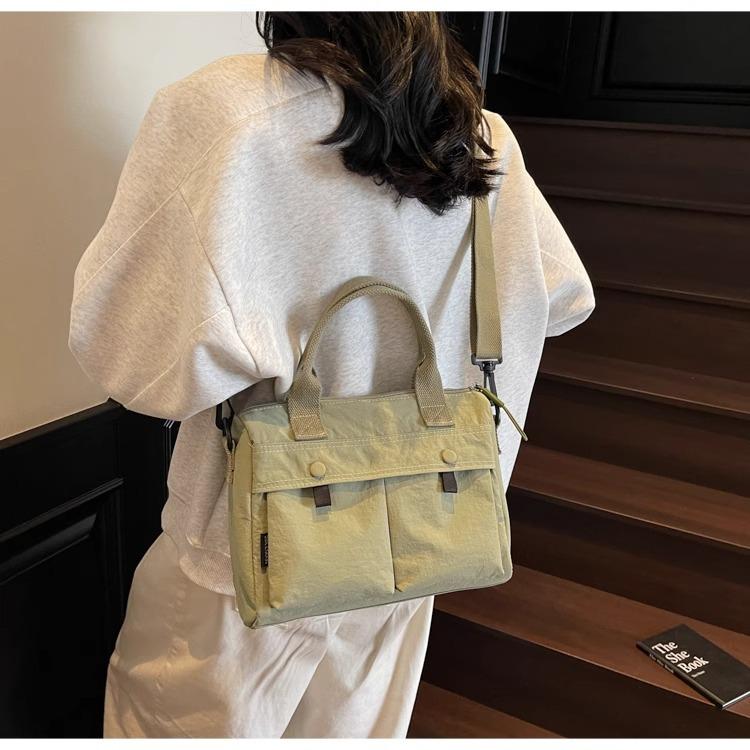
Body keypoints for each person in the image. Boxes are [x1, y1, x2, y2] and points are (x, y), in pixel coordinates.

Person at [68, 11, 595, 739]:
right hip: (415, 542)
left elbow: (128, 360)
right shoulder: (480, 135)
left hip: (248, 560)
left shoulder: (227, 111)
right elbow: (563, 299)